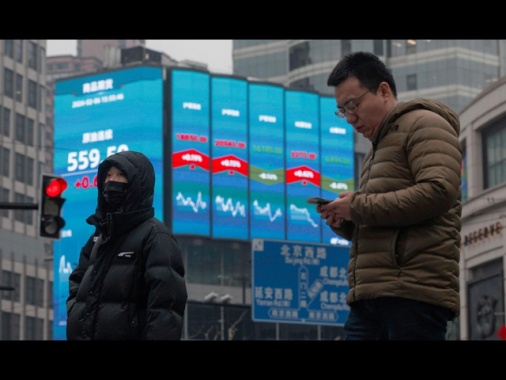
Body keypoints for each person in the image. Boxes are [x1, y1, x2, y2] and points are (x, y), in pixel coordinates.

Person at [318, 51, 462, 340]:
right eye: (342, 110)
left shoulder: (425, 123)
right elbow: (388, 219)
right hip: (370, 296)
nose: (349, 118)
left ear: (383, 90)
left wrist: (357, 207)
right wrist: (345, 220)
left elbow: (438, 191)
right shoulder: (376, 150)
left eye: (352, 105)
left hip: (413, 294)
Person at [66, 150, 188, 340]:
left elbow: (166, 310)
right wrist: (76, 312)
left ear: (138, 184)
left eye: (120, 175)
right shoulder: (100, 235)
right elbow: (77, 281)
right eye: (107, 175)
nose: (111, 181)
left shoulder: (155, 236)